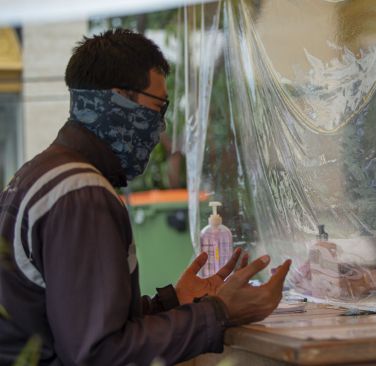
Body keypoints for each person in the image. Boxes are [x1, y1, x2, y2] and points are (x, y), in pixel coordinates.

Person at [0, 29, 291, 365]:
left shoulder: (39, 173)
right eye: (157, 107)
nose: (160, 127)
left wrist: (174, 301)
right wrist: (220, 312)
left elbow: (75, 318)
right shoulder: (81, 193)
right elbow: (98, 352)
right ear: (118, 101)